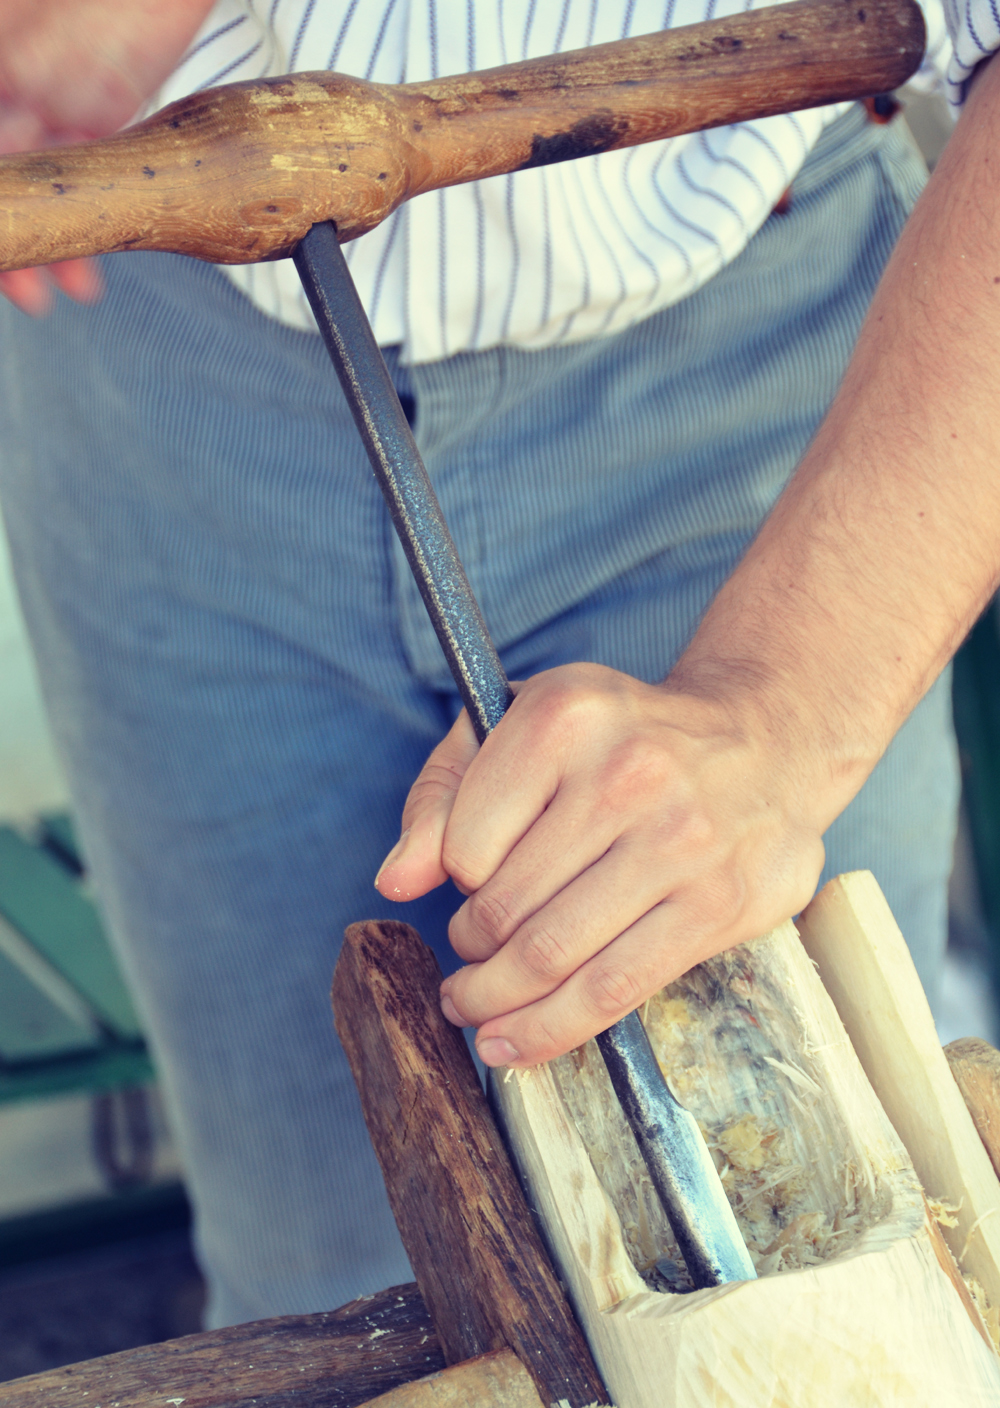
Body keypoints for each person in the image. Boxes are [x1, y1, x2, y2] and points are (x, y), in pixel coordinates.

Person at [0, 0, 997, 1326]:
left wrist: (780, 705)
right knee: (340, 1294)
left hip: (749, 361)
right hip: (155, 349)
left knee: (823, 1277)